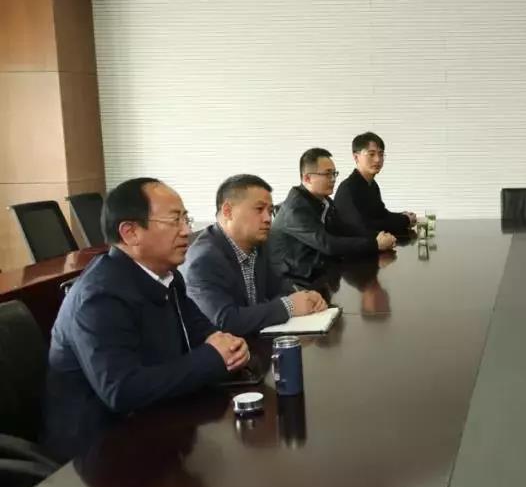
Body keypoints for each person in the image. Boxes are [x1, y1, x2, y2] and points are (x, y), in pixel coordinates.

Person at [45, 178, 250, 459]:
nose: (186, 231)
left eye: (186, 219)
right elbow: (122, 390)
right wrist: (215, 357)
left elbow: (200, 329)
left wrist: (229, 345)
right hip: (98, 449)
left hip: (156, 422)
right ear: (130, 233)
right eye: (174, 220)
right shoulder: (100, 297)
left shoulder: (166, 276)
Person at [181, 174, 327, 337]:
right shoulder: (204, 259)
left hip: (256, 341)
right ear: (228, 211)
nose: (268, 219)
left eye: (270, 211)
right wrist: (289, 306)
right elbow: (225, 321)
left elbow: (280, 289)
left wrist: (305, 297)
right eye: (259, 209)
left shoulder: (259, 243)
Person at [268, 148, 396, 289]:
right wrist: (374, 244)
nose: (333, 179)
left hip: (318, 271)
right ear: (307, 178)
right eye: (327, 174)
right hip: (294, 283)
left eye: (334, 173)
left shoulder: (323, 200)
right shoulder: (295, 209)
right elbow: (328, 244)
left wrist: (377, 237)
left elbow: (344, 229)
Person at [334, 132, 416, 236]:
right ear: (356, 157)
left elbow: (381, 215)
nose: (377, 159)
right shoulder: (349, 188)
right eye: (371, 154)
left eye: (381, 154)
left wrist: (404, 215)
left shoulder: (372, 184)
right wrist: (404, 220)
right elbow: (365, 227)